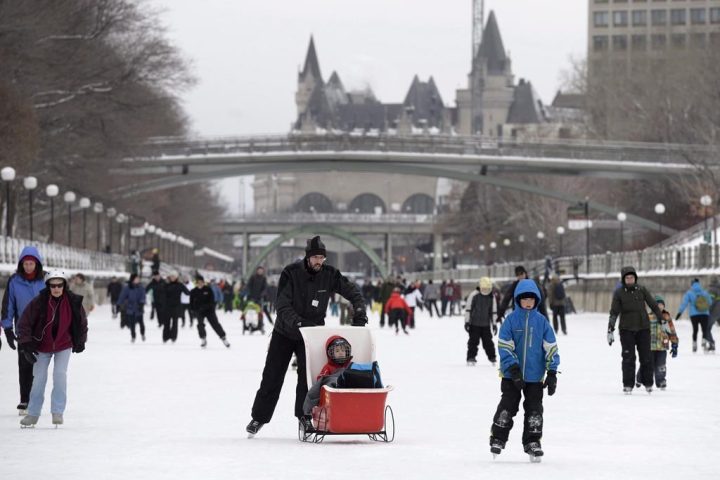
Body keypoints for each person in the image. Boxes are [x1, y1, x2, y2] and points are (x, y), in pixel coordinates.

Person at [246, 236, 367, 437]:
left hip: (312, 336)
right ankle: (259, 417)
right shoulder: (291, 273)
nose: (319, 261)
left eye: (322, 257)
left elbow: (352, 291)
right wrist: (298, 322)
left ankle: (304, 417)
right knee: (272, 376)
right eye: (316, 257)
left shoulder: (330, 274)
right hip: (285, 332)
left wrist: (360, 310)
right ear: (308, 257)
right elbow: (282, 305)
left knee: (307, 379)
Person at [489, 279, 559, 461]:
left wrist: (552, 372)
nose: (528, 303)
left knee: (535, 410)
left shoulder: (542, 322)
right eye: (524, 299)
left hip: (535, 377)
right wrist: (513, 368)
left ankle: (532, 441)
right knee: (508, 406)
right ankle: (498, 436)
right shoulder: (511, 321)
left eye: (531, 299)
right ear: (518, 300)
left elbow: (551, 347)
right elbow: (504, 346)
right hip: (512, 376)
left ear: (537, 300)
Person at [17, 270, 88, 427]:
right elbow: (24, 323)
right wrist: (26, 344)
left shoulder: (73, 302)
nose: (56, 288)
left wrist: (81, 341)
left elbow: (82, 322)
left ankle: (57, 412)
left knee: (60, 375)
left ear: (64, 286)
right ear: (48, 286)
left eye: (59, 285)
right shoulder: (39, 302)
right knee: (39, 380)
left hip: (63, 345)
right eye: (53, 285)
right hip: (42, 347)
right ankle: (33, 414)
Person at [1, 246, 46, 415]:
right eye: (25, 263)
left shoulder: (45, 280)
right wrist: (7, 329)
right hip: (23, 330)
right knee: (24, 365)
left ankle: (35, 399)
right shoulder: (14, 281)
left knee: (40, 367)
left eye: (31, 263)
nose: (28, 266)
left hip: (43, 330)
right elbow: (8, 306)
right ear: (21, 264)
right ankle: (24, 400)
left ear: (37, 264)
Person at [607, 266, 667, 394]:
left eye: (632, 277)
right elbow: (614, 312)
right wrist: (610, 329)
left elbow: (654, 305)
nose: (630, 280)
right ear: (623, 279)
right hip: (626, 329)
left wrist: (662, 320)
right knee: (628, 357)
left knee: (646, 357)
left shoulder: (642, 289)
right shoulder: (619, 293)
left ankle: (648, 383)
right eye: (627, 278)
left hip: (643, 328)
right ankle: (628, 384)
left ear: (635, 278)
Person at [302, 336, 353, 417]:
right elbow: (321, 381)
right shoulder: (328, 367)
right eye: (337, 351)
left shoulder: (351, 365)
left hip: (350, 397)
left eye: (343, 350)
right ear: (330, 353)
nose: (340, 353)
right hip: (334, 397)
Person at [636, 295, 678, 390]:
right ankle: (639, 378)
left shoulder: (666, 317)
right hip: (649, 347)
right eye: (657, 304)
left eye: (661, 304)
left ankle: (661, 381)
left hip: (662, 346)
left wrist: (674, 344)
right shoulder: (648, 317)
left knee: (661, 365)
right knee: (647, 365)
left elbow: (672, 331)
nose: (659, 306)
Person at [464, 277, 498, 366]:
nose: (486, 291)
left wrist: (494, 324)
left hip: (486, 324)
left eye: (487, 289)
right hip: (474, 324)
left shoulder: (491, 297)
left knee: (488, 342)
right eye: (484, 289)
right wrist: (467, 322)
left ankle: (492, 357)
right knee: (473, 341)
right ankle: (471, 357)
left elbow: (493, 311)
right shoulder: (474, 295)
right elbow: (468, 309)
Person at [190, 274, 231, 349]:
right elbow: (191, 303)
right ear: (196, 283)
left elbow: (211, 301)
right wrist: (193, 311)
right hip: (199, 311)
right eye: (198, 282)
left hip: (209, 310)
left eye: (201, 282)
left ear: (203, 282)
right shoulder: (193, 291)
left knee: (215, 324)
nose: (200, 284)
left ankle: (223, 338)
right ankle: (203, 338)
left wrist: (207, 307)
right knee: (200, 325)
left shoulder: (208, 290)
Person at [675, 278, 714, 353]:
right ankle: (704, 342)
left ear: (692, 284)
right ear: (699, 283)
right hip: (704, 314)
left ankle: (694, 344)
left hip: (694, 314)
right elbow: (710, 302)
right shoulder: (704, 292)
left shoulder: (689, 293)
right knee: (704, 330)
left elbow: (684, 303)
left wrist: (679, 313)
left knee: (695, 330)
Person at [117, 273, 147, 342]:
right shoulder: (127, 288)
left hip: (139, 308)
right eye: (136, 279)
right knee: (132, 324)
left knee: (141, 323)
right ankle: (133, 336)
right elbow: (122, 296)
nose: (138, 280)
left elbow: (143, 296)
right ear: (132, 279)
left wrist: (142, 303)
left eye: (138, 279)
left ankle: (142, 334)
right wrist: (118, 304)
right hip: (130, 308)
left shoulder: (141, 287)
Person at [165, 272, 191, 342]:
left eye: (174, 276)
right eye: (171, 276)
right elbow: (162, 294)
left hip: (176, 306)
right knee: (167, 322)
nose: (172, 278)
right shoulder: (167, 285)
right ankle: (166, 337)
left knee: (175, 322)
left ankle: (173, 337)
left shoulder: (180, 285)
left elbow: (187, 292)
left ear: (176, 277)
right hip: (167, 306)